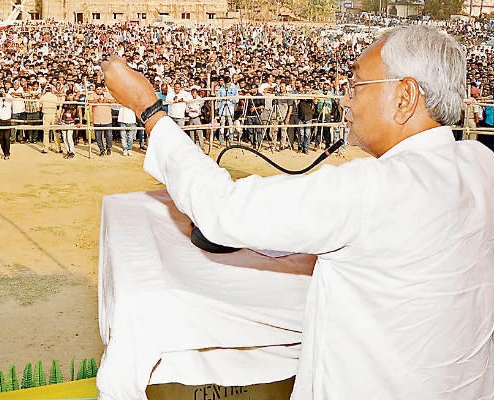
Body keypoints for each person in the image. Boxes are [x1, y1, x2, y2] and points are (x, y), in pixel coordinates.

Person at [101, 25, 494, 400]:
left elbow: (222, 208)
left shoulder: (372, 188)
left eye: (356, 85)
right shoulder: (482, 164)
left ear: (404, 97)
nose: (345, 101)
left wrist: (148, 108)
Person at [0, 89, 12, 160]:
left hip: (7, 120)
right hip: (0, 121)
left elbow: (11, 99)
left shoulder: (8, 98)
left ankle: (7, 153)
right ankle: (4, 152)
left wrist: (5, 95)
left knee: (7, 138)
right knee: (1, 138)